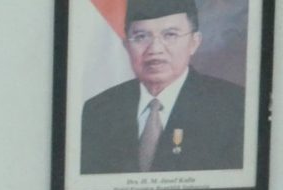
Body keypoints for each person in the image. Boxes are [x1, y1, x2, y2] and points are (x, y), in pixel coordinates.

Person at [78, 0, 246, 174]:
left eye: (170, 35)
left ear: (194, 42)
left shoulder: (234, 107)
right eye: (141, 37)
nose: (155, 49)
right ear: (126, 46)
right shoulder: (98, 110)